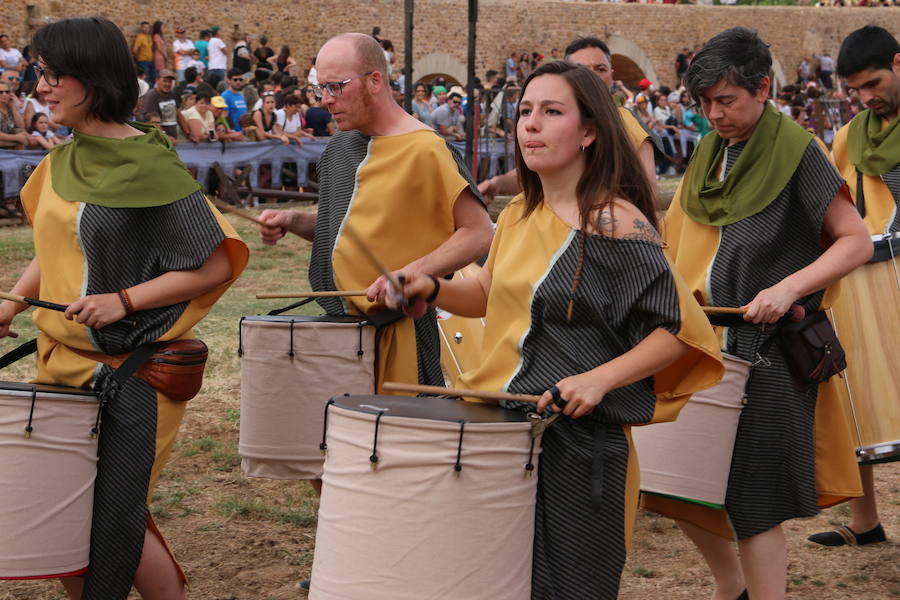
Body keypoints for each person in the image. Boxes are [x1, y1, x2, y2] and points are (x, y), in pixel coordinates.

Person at [388, 60, 722, 600]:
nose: (531, 125)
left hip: (578, 443)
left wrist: (600, 380)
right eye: (524, 112)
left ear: (589, 131)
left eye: (551, 112)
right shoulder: (519, 211)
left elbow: (681, 330)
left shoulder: (616, 223)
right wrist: (430, 287)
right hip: (498, 430)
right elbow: (488, 296)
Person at [0, 17, 247, 600]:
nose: (41, 86)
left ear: (95, 76)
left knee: (111, 516)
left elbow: (214, 264)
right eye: (40, 72)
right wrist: (11, 302)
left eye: (55, 74)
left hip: (131, 376)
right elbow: (55, 248)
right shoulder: (60, 161)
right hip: (58, 365)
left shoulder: (153, 168)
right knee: (64, 515)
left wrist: (125, 301)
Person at [646, 27, 872, 600]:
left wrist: (787, 289)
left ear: (763, 88)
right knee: (673, 483)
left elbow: (855, 241)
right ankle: (733, 586)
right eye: (704, 103)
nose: (714, 114)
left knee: (755, 499)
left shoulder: (799, 150)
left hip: (769, 354)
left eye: (727, 100)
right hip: (701, 347)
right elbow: (682, 240)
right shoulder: (708, 153)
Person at [256, 33, 492, 515]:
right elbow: (341, 229)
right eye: (320, 88)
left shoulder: (426, 149)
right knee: (323, 458)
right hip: (337, 334)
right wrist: (297, 222)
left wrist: (412, 273)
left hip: (400, 333)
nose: (326, 101)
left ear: (375, 81)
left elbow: (478, 232)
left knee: (397, 466)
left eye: (336, 87)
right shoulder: (340, 149)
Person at [805, 24, 899, 549]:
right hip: (866, 282)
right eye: (857, 90)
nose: (866, 98)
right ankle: (865, 523)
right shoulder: (850, 137)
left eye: (874, 83)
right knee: (856, 398)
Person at [480, 36, 656, 203]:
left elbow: (647, 190)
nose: (592, 76)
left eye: (600, 69)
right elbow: (540, 172)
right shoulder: (554, 119)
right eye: (582, 70)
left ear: (611, 74)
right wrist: (498, 184)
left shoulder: (624, 121)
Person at [142, 69, 185, 140]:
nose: (168, 84)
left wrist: (188, 133)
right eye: (165, 81)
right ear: (157, 80)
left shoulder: (173, 94)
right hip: (158, 140)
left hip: (173, 139)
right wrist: (165, 137)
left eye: (170, 81)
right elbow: (153, 121)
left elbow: (178, 114)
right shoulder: (151, 96)